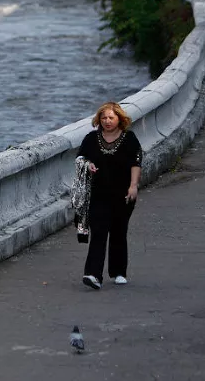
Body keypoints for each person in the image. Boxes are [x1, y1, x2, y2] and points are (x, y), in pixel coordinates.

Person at [76, 102, 143, 290]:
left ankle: (119, 271)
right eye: (104, 118)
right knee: (99, 231)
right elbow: (80, 158)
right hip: (98, 193)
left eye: (111, 118)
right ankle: (93, 274)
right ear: (99, 119)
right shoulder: (91, 139)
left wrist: (133, 186)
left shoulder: (129, 139)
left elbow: (136, 163)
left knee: (119, 231)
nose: (107, 121)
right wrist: (87, 165)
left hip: (123, 193)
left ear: (119, 119)